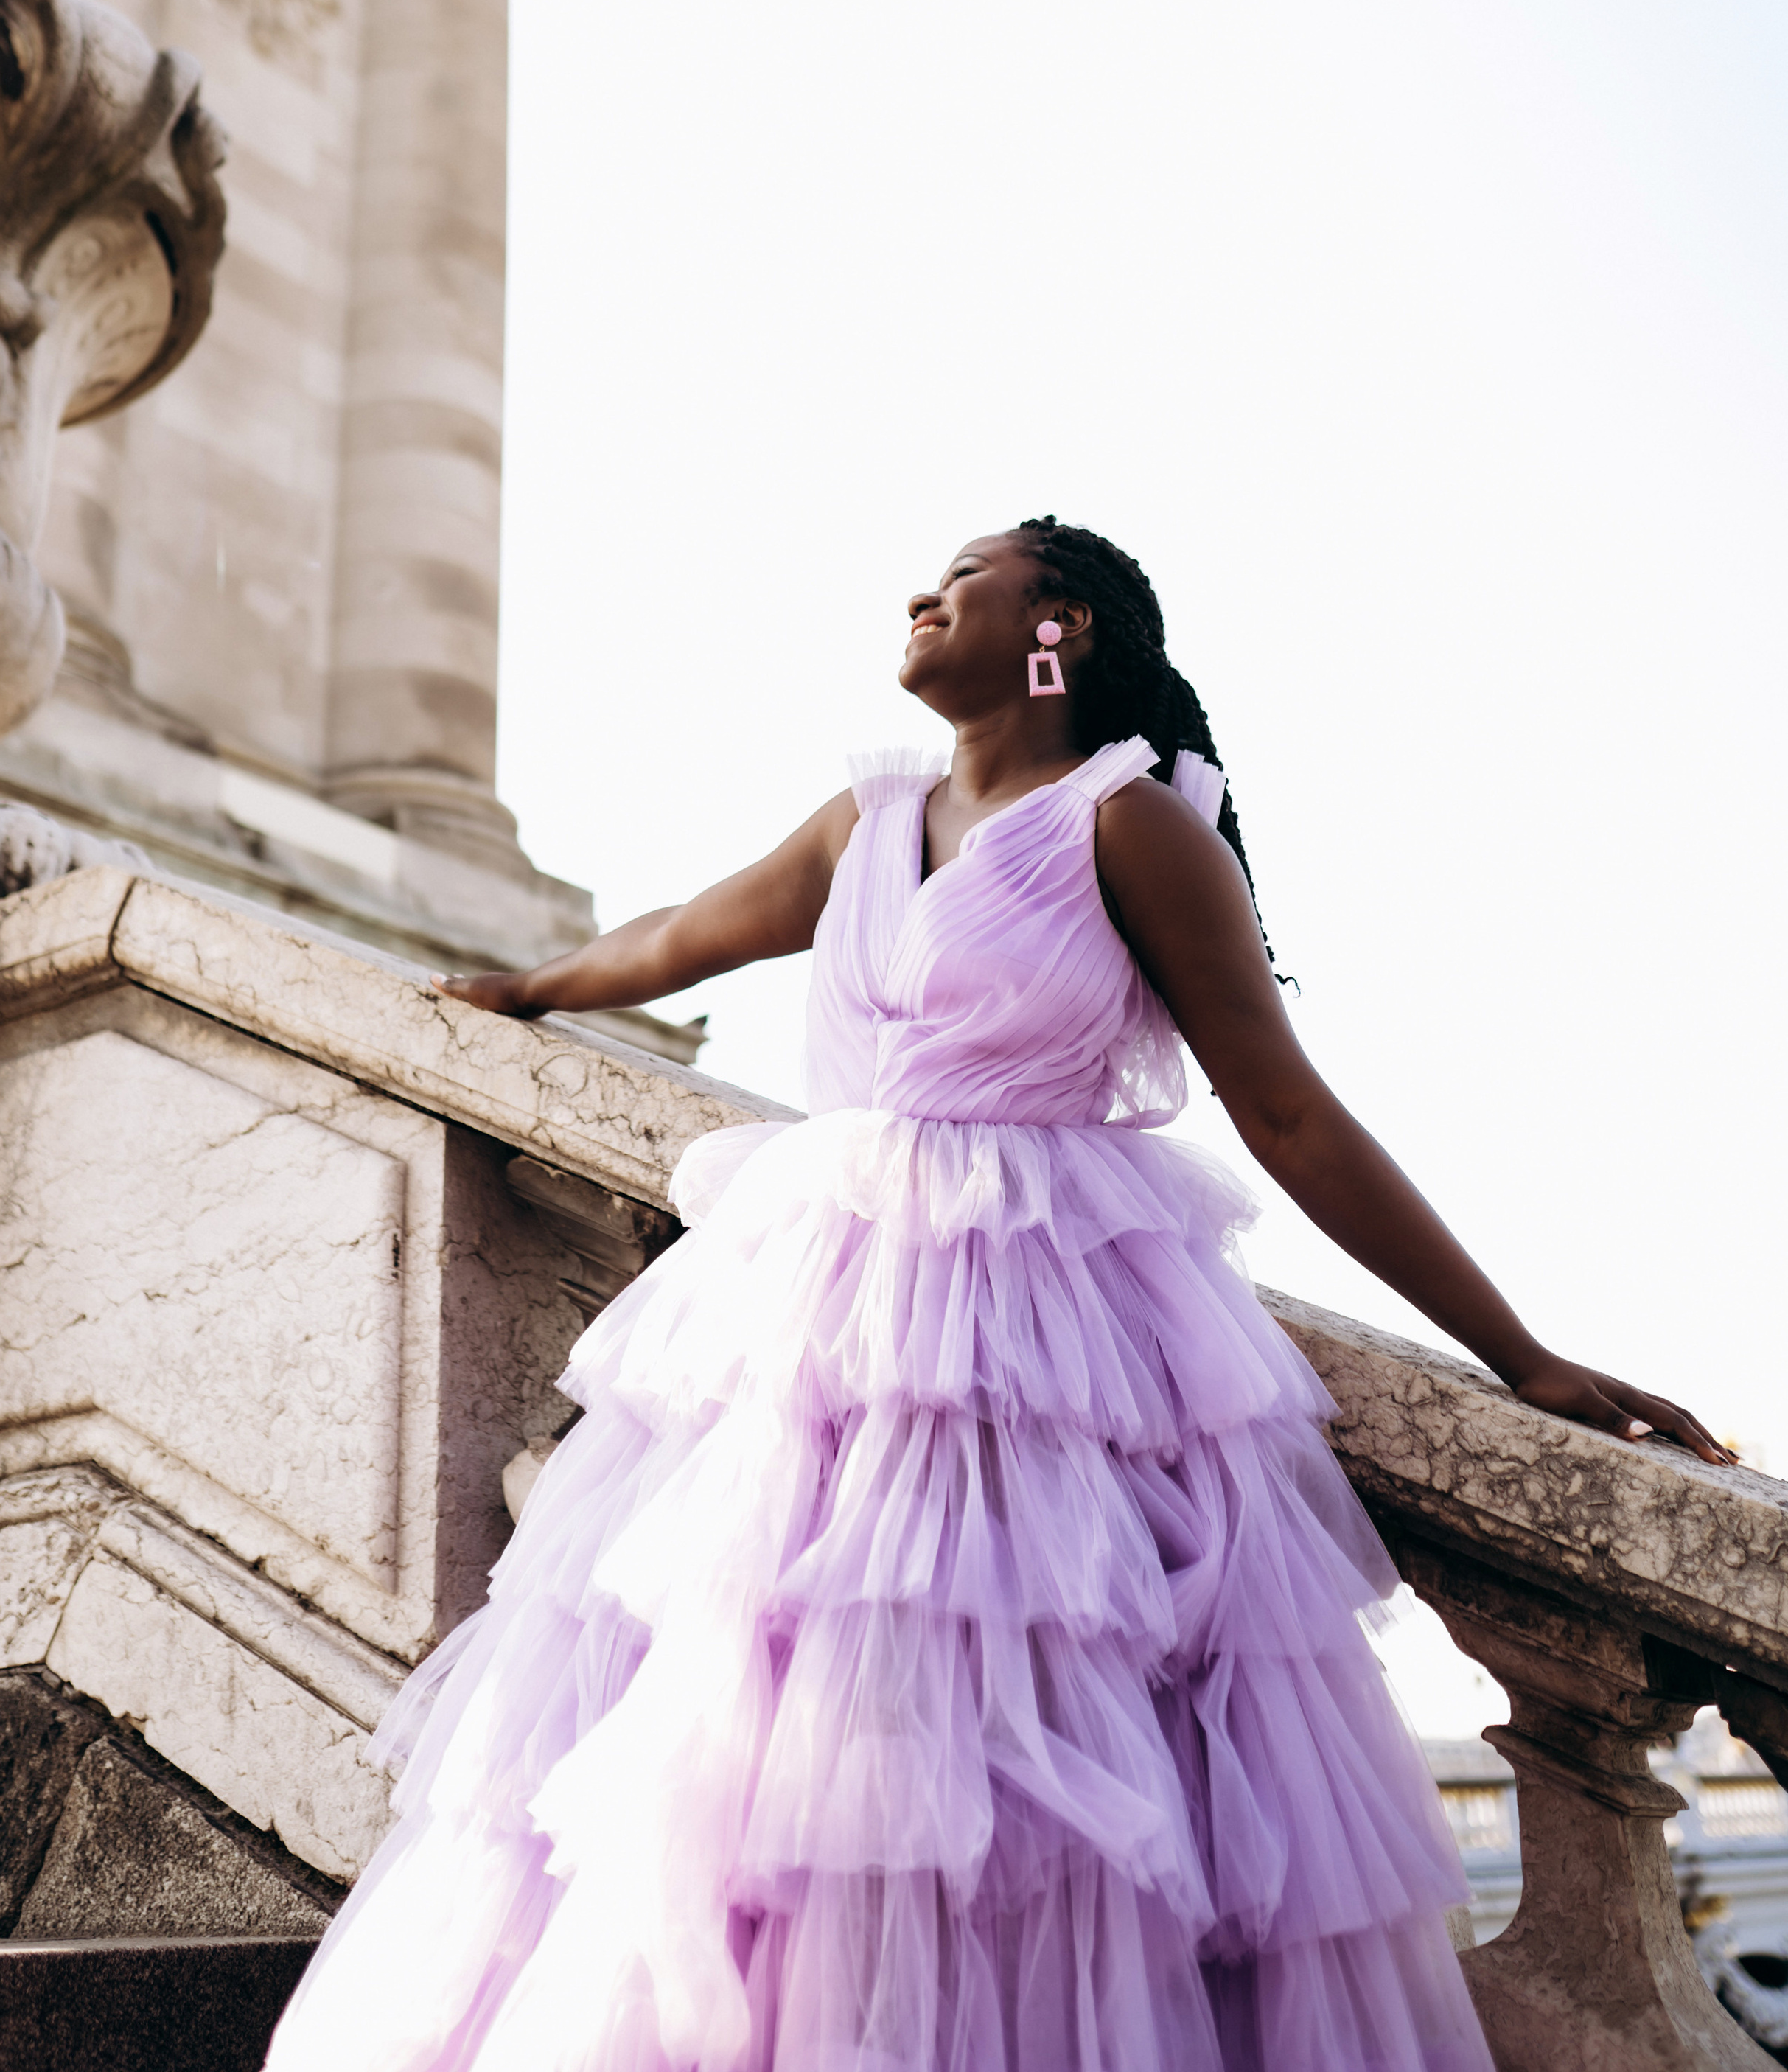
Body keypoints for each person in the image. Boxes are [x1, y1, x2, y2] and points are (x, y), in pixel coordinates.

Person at [268, 517, 1729, 2072]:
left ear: (1061, 630)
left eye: (963, 576)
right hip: (811, 1321)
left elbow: (1287, 1113)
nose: (923, 593)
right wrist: (528, 990)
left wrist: (1520, 1355)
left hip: (1032, 1338)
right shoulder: (865, 817)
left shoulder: (1129, 827)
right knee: (758, 1754)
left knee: (1005, 1781)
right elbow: (688, 933)